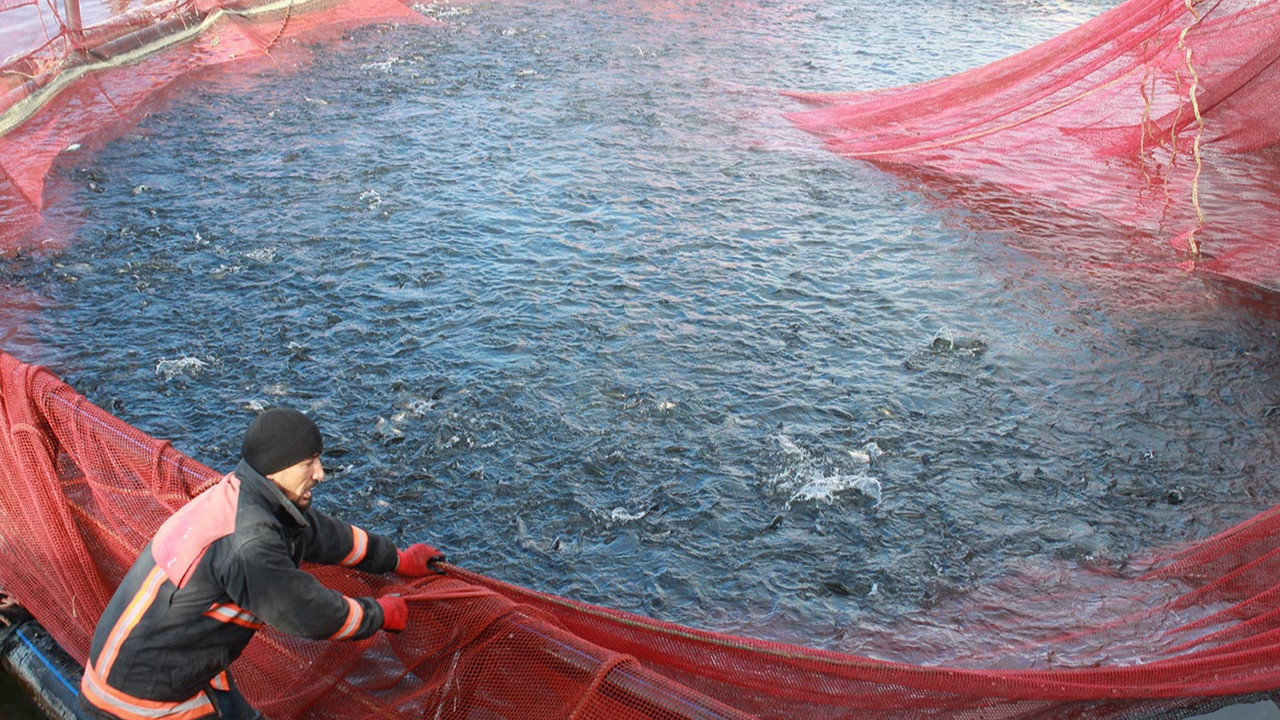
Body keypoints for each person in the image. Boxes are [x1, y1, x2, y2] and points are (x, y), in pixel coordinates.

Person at [79, 407, 444, 720]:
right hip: (139, 699)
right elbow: (306, 611)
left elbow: (317, 534)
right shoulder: (249, 544)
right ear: (275, 469)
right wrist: (379, 614)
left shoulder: (246, 496)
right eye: (308, 463)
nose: (320, 473)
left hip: (177, 664)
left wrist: (396, 558)